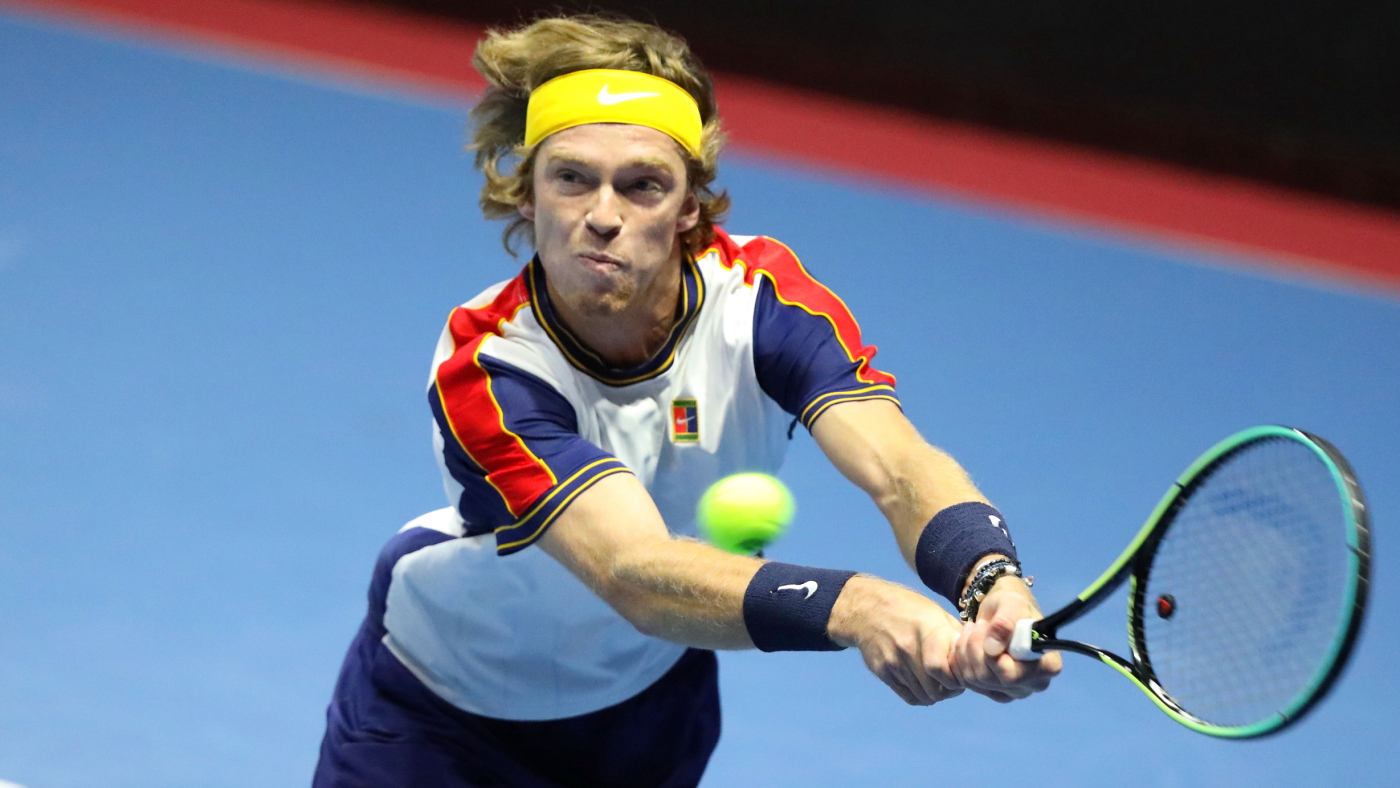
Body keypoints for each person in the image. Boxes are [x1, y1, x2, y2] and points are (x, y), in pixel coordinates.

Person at [314, 14, 1060, 788]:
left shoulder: (764, 303)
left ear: (688, 209)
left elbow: (898, 466)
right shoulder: (489, 364)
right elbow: (632, 570)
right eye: (571, 178)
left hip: (649, 713)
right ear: (526, 195)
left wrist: (990, 579)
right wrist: (859, 607)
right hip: (438, 714)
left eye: (642, 185)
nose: (604, 214)